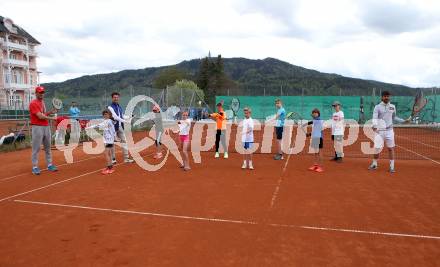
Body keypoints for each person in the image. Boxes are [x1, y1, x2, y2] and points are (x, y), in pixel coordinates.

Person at [369, 91, 408, 173]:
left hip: (390, 131)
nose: (387, 97)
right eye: (385, 96)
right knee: (377, 148)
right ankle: (374, 164)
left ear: (389, 97)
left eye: (388, 96)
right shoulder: (377, 107)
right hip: (380, 130)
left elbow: (394, 117)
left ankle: (392, 166)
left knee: (390, 148)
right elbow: (375, 118)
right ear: (382, 97)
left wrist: (403, 121)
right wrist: (374, 125)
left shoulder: (393, 107)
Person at [29, 86, 58, 175]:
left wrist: (50, 112)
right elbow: (40, 116)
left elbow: (43, 114)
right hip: (37, 127)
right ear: (36, 93)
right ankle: (35, 167)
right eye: (40, 92)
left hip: (46, 127)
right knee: (36, 148)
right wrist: (52, 118)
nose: (42, 94)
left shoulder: (42, 103)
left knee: (48, 147)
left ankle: (49, 165)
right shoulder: (33, 103)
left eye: (43, 92)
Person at [107, 92, 134, 164]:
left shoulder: (119, 106)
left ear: (118, 98)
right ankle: (113, 159)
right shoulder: (110, 107)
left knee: (124, 141)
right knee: (111, 143)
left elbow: (122, 116)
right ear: (112, 98)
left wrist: (130, 116)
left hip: (120, 127)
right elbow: (115, 117)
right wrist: (126, 121)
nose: (116, 98)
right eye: (114, 97)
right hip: (112, 128)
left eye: (117, 97)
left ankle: (126, 158)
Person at [86, 110, 116, 175]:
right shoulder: (108, 121)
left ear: (109, 115)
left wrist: (89, 127)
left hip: (109, 140)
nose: (105, 115)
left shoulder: (108, 121)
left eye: (107, 114)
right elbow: (108, 129)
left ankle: (110, 168)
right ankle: (110, 167)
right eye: (104, 114)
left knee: (106, 153)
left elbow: (98, 125)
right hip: (108, 139)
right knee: (109, 154)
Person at [306, 108, 324, 173]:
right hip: (315, 138)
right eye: (313, 113)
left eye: (315, 113)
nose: (314, 114)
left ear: (318, 114)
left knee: (319, 152)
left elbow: (318, 130)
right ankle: (315, 165)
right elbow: (311, 122)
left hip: (319, 138)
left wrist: (309, 134)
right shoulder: (315, 120)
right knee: (316, 153)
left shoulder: (319, 120)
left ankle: (321, 167)